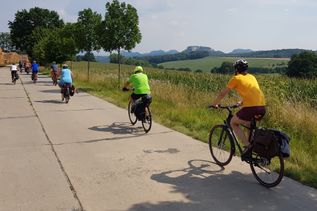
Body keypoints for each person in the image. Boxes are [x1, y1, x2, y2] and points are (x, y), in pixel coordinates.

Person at [211, 59, 266, 159]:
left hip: (251, 108)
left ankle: (248, 146)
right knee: (248, 124)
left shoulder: (236, 78)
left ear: (236, 69)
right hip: (262, 107)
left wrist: (215, 104)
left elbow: (223, 93)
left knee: (233, 122)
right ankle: (255, 150)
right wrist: (241, 103)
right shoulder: (252, 77)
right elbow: (253, 94)